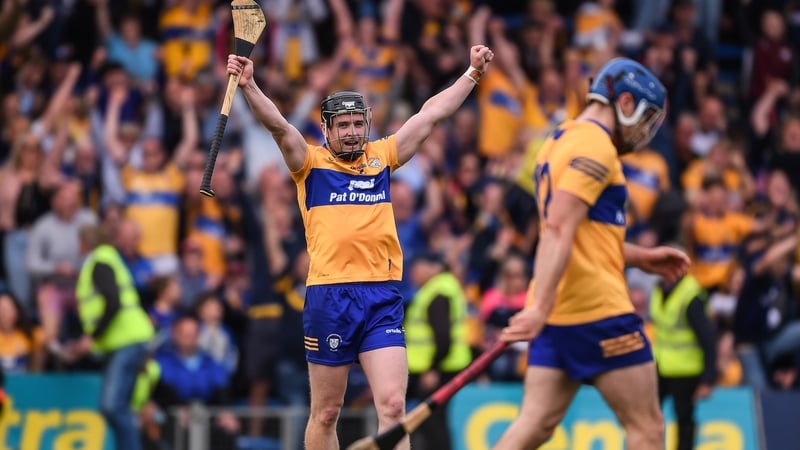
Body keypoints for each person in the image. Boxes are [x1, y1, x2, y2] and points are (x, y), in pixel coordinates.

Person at [226, 44, 494, 450]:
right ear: (328, 129)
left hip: (381, 294)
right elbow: (280, 126)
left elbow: (431, 114)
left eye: (357, 123)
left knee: (392, 405)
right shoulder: (309, 165)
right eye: (343, 125)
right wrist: (249, 86)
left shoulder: (382, 157)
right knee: (327, 412)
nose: (351, 131)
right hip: (329, 295)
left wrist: (471, 73)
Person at [492, 57, 691, 450]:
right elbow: (560, 227)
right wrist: (538, 309)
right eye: (646, 117)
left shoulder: (558, 139)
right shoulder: (598, 148)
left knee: (532, 426)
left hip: (556, 314)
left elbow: (580, 235)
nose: (644, 133)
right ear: (626, 103)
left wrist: (638, 257)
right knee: (647, 429)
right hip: (597, 311)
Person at [69, 224, 155, 450]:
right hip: (124, 342)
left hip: (128, 341)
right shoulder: (108, 260)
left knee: (112, 406)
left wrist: (92, 337)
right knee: (117, 407)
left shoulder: (99, 262)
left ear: (85, 243)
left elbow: (113, 302)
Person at [405, 251, 472, 450]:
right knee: (432, 422)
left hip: (438, 369)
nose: (412, 274)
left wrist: (432, 368)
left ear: (432, 268)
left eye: (416, 268)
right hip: (441, 366)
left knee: (433, 425)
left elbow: (443, 336)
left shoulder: (438, 292)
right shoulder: (443, 287)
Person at [650, 272, 717, 450]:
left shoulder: (690, 296)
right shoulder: (659, 288)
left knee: (684, 420)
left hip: (686, 370)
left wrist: (707, 379)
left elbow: (709, 341)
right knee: (649, 417)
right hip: (660, 365)